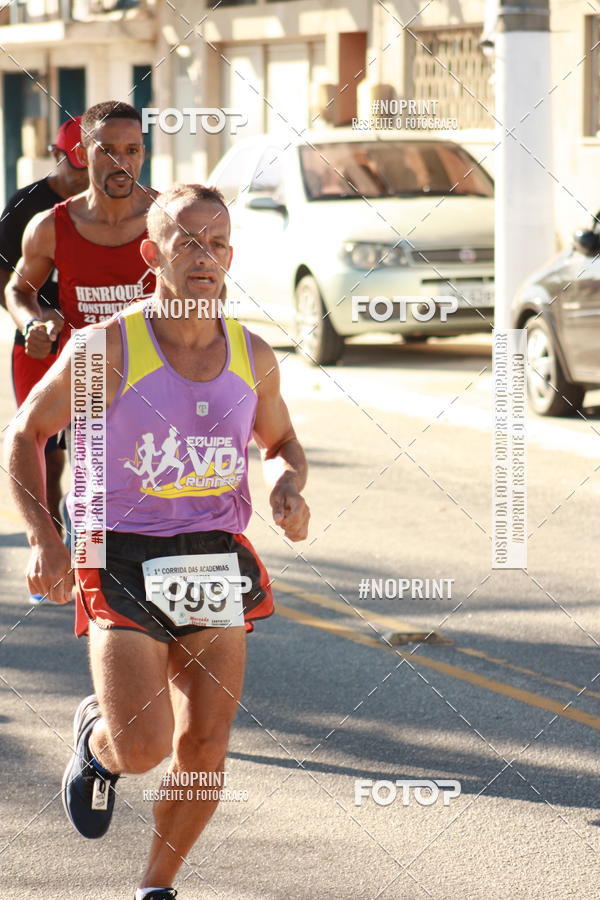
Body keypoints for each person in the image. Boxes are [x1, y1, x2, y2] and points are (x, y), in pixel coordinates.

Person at [5, 183, 310, 900]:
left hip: (213, 556)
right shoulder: (110, 350)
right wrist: (45, 537)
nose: (206, 257)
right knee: (143, 747)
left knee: (204, 748)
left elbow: (281, 442)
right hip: (119, 549)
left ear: (231, 255)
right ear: (152, 253)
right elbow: (27, 433)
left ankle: (156, 888)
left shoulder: (252, 355)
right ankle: (100, 746)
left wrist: (287, 484)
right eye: (188, 242)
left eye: (219, 243)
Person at [0, 116, 89, 537]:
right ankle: (52, 544)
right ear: (56, 155)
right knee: (46, 455)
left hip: (96, 348)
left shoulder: (119, 209)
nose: (85, 177)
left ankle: (91, 548)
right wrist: (34, 321)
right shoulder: (28, 206)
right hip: (40, 346)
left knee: (96, 452)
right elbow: (7, 280)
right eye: (77, 165)